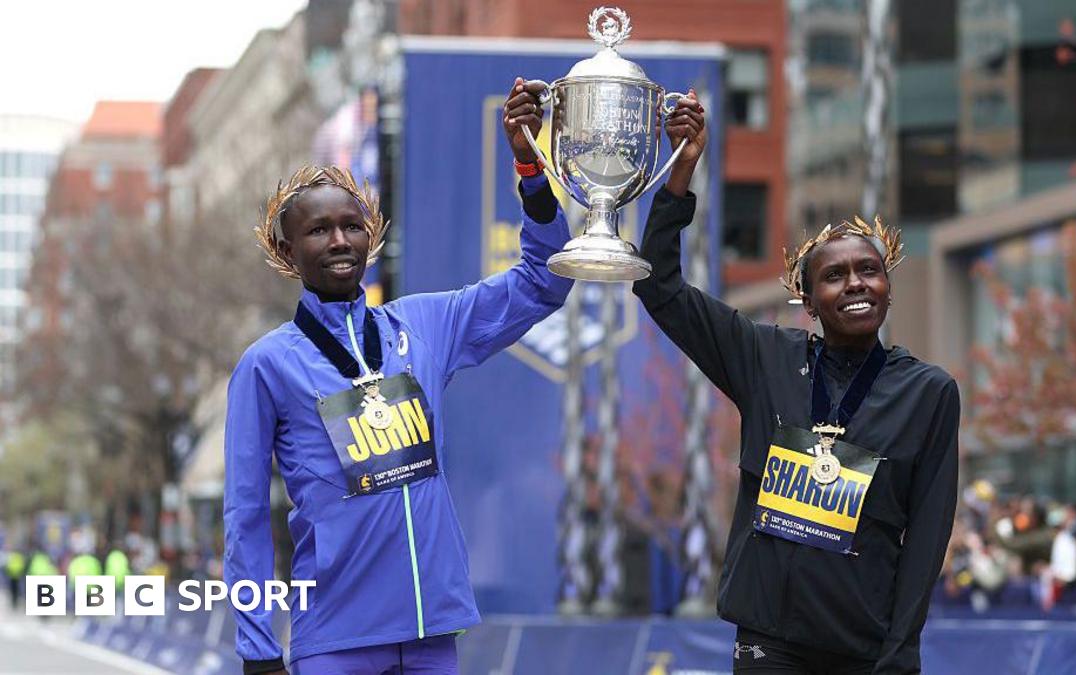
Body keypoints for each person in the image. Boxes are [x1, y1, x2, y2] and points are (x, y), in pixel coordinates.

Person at [223, 78, 570, 674]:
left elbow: (545, 280)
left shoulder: (425, 325)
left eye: (351, 226)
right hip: (335, 636)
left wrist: (529, 166)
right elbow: (246, 515)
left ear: (371, 234)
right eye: (318, 229)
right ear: (287, 247)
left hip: (433, 630)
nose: (339, 240)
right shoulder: (267, 365)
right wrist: (258, 650)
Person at [633, 94, 960, 674]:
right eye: (834, 276)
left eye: (869, 270)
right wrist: (681, 174)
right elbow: (659, 286)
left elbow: (929, 535)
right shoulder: (764, 358)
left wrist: (902, 650)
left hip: (863, 646)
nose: (855, 284)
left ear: (888, 287)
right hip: (769, 641)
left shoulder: (929, 393)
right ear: (808, 302)